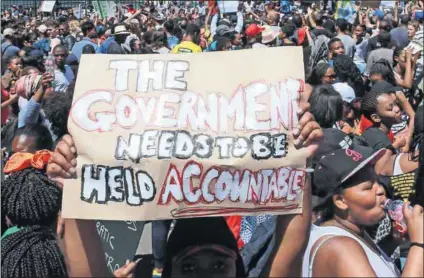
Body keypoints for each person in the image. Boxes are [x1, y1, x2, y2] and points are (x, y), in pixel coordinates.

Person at [303, 144, 424, 277]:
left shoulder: (352, 233)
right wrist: (418, 244)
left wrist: (392, 242)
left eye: (377, 182)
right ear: (340, 201)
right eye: (368, 187)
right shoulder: (340, 248)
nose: (380, 190)